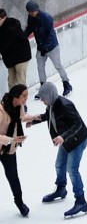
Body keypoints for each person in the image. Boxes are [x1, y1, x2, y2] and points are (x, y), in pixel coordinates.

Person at [24, 81, 87, 217]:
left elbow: (77, 123)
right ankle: (61, 189)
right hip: (66, 140)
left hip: (77, 140)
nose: (42, 100)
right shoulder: (52, 104)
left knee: (72, 169)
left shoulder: (65, 105)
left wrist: (62, 136)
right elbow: (49, 116)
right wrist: (34, 121)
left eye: (44, 97)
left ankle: (81, 201)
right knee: (59, 165)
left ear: (51, 95)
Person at [24, 0, 70, 94]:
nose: (31, 13)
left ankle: (66, 83)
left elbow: (50, 34)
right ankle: (43, 88)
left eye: (32, 11)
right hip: (41, 48)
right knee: (40, 68)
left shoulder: (46, 17)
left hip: (52, 47)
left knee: (58, 65)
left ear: (37, 10)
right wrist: (23, 37)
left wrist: (46, 46)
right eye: (29, 12)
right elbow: (30, 28)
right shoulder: (31, 18)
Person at [0, 84, 29, 216]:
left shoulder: (18, 106)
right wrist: (12, 139)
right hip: (6, 143)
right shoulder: (1, 111)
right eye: (24, 96)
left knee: (13, 177)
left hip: (8, 150)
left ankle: (19, 202)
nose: (26, 98)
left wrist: (38, 117)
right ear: (15, 96)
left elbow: (22, 118)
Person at [0, 9, 30, 89]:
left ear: (3, 18)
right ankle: (12, 99)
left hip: (21, 56)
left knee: (20, 81)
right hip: (10, 59)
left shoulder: (12, 26)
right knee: (11, 82)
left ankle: (22, 99)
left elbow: (5, 43)